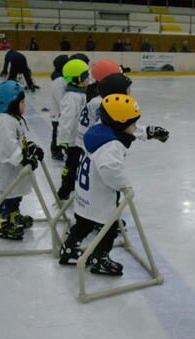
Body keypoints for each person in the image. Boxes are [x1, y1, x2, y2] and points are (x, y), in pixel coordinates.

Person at [59, 72, 169, 266]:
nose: (136, 126)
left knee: (83, 224)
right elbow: (110, 169)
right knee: (107, 227)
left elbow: (126, 128)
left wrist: (148, 132)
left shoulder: (101, 128)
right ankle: (101, 259)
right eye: (134, 123)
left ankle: (69, 249)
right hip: (100, 195)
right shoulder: (113, 144)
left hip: (85, 191)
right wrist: (124, 185)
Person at [0, 80, 44, 240]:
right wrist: (23, 159)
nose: (24, 105)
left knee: (15, 195)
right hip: (7, 169)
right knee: (7, 196)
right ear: (10, 104)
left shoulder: (15, 119)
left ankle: (14, 215)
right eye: (22, 102)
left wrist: (31, 147)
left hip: (15, 168)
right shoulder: (5, 122)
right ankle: (3, 224)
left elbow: (20, 140)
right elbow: (8, 147)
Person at [56, 59, 90, 200]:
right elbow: (66, 120)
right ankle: (64, 190)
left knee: (77, 165)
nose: (89, 78)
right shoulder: (72, 97)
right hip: (72, 141)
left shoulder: (81, 93)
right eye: (86, 76)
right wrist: (63, 140)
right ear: (77, 79)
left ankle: (73, 187)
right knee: (71, 166)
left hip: (80, 139)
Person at [49, 54, 70, 161]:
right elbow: (59, 98)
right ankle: (55, 151)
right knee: (57, 133)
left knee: (62, 132)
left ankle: (62, 149)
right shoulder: (58, 80)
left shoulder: (62, 78)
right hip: (58, 113)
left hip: (61, 112)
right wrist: (66, 108)